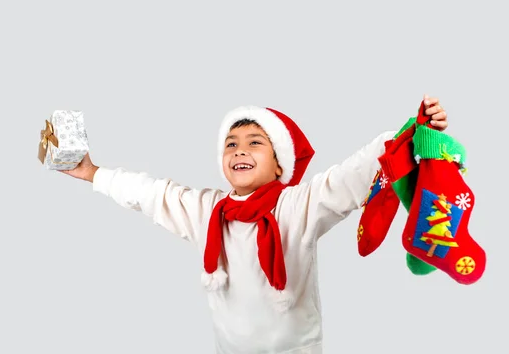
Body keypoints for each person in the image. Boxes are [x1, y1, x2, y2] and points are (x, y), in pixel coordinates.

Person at [59, 95, 448, 354]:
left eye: (254, 142)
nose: (240, 149)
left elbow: (347, 177)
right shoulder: (208, 210)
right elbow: (152, 193)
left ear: (280, 165)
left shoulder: (297, 206)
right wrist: (93, 173)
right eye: (231, 144)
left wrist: (408, 133)